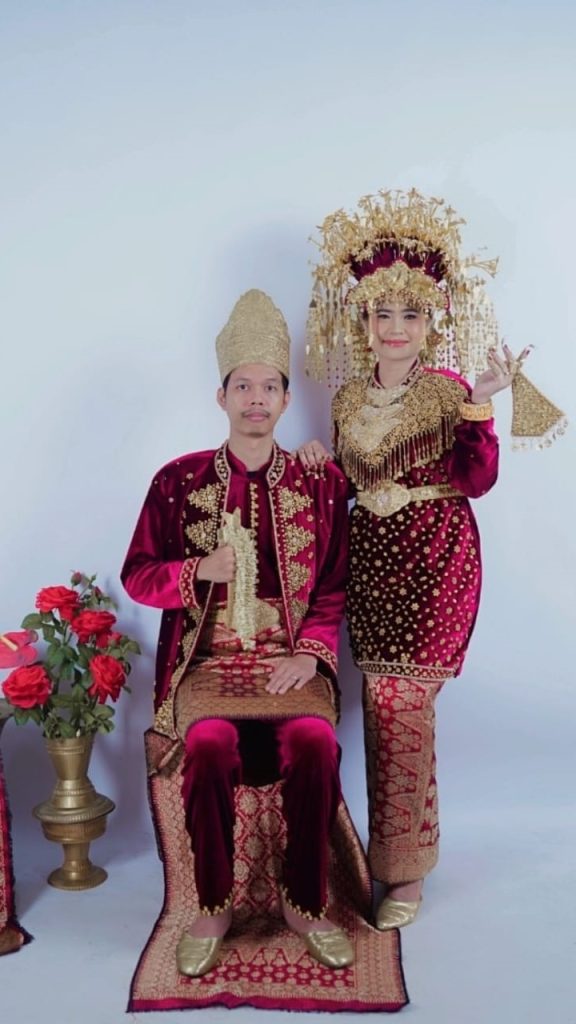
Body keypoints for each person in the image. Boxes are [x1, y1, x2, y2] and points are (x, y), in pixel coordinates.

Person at [300, 188, 565, 930]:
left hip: (436, 561)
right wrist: (320, 460)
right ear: (363, 321)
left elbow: (477, 481)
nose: (394, 328)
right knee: (378, 707)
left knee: (401, 704)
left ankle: (405, 874)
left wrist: (481, 403)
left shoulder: (449, 392)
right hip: (372, 565)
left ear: (432, 321)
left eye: (410, 315)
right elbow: (348, 484)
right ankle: (392, 854)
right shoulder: (347, 400)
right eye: (382, 314)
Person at [121, 289, 354, 977]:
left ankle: (304, 904)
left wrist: (310, 655)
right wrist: (198, 570)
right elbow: (137, 575)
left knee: (315, 743)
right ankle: (212, 908)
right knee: (209, 744)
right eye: (243, 386)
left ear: (286, 399)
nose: (257, 399)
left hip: (289, 663)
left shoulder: (318, 482)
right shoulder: (177, 481)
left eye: (269, 387)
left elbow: (333, 585)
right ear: (221, 396)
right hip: (207, 666)